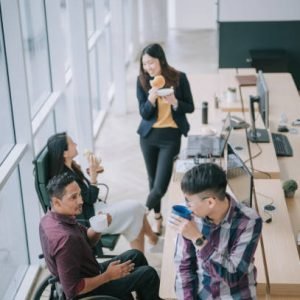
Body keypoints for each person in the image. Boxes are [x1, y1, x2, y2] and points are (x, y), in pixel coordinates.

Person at [39, 172, 161, 300]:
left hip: (91, 271)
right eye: (73, 197)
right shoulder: (65, 240)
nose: (81, 200)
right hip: (89, 290)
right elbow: (73, 290)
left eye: (79, 194)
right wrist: (108, 276)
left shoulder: (48, 219)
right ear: (57, 202)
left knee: (136, 255)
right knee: (149, 275)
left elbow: (86, 240)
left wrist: (99, 227)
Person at [47, 132, 159, 253]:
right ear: (65, 153)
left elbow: (85, 193)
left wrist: (91, 173)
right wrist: (94, 178)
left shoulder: (71, 167)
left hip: (96, 207)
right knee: (135, 209)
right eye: (72, 143)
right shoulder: (66, 178)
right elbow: (89, 198)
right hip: (91, 218)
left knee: (135, 212)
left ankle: (153, 241)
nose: (76, 144)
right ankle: (150, 246)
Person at [169, 163, 262, 299]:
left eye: (189, 201)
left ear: (210, 202)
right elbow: (184, 267)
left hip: (236, 292)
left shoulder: (249, 221)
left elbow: (233, 275)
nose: (187, 206)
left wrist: (197, 238)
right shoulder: (191, 215)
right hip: (202, 290)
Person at [136, 43, 195, 234]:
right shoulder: (142, 81)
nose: (148, 68)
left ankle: (139, 218)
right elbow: (144, 114)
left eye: (151, 63)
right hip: (148, 137)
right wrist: (151, 99)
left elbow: (190, 107)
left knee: (160, 187)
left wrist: (175, 102)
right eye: (145, 64)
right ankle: (157, 218)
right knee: (152, 182)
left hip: (170, 138)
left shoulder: (179, 78)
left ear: (160, 60)